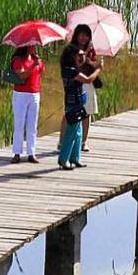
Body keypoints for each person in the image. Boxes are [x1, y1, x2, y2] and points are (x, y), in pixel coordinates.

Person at [58, 24, 98, 171]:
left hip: (79, 99)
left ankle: (75, 158)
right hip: (72, 101)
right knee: (72, 130)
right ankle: (64, 159)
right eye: (79, 56)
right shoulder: (71, 70)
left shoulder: (76, 66)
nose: (81, 58)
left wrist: (90, 59)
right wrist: (98, 68)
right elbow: (87, 79)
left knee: (79, 130)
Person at [10, 44, 43, 161]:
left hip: (34, 94)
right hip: (21, 94)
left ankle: (31, 152)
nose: (34, 47)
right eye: (32, 45)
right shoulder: (18, 60)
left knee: (32, 125)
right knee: (19, 124)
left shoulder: (36, 59)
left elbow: (40, 74)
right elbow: (21, 76)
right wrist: (34, 65)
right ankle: (16, 153)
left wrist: (38, 63)